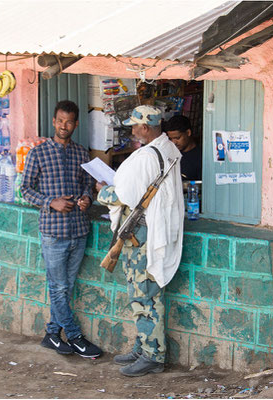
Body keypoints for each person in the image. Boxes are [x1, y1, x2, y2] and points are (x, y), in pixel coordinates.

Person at [96, 105, 184, 376]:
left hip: (142, 234)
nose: (132, 130)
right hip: (151, 230)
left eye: (135, 126)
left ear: (145, 127)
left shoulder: (147, 155)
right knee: (143, 293)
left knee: (144, 295)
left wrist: (103, 192)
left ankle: (152, 355)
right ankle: (143, 345)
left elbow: (125, 196)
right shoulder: (167, 148)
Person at [21, 100, 102, 358]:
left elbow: (88, 186)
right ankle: (75, 336)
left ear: (75, 124)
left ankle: (52, 335)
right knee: (58, 287)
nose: (64, 126)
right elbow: (25, 190)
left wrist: (87, 199)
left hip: (79, 230)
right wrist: (50, 202)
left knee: (66, 285)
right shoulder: (38, 153)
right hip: (53, 233)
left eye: (69, 122)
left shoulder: (82, 154)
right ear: (53, 121)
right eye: (60, 121)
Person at [165, 115, 202, 181]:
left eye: (177, 138)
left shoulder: (200, 158)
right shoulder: (169, 154)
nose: (174, 142)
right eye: (170, 139)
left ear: (188, 132)